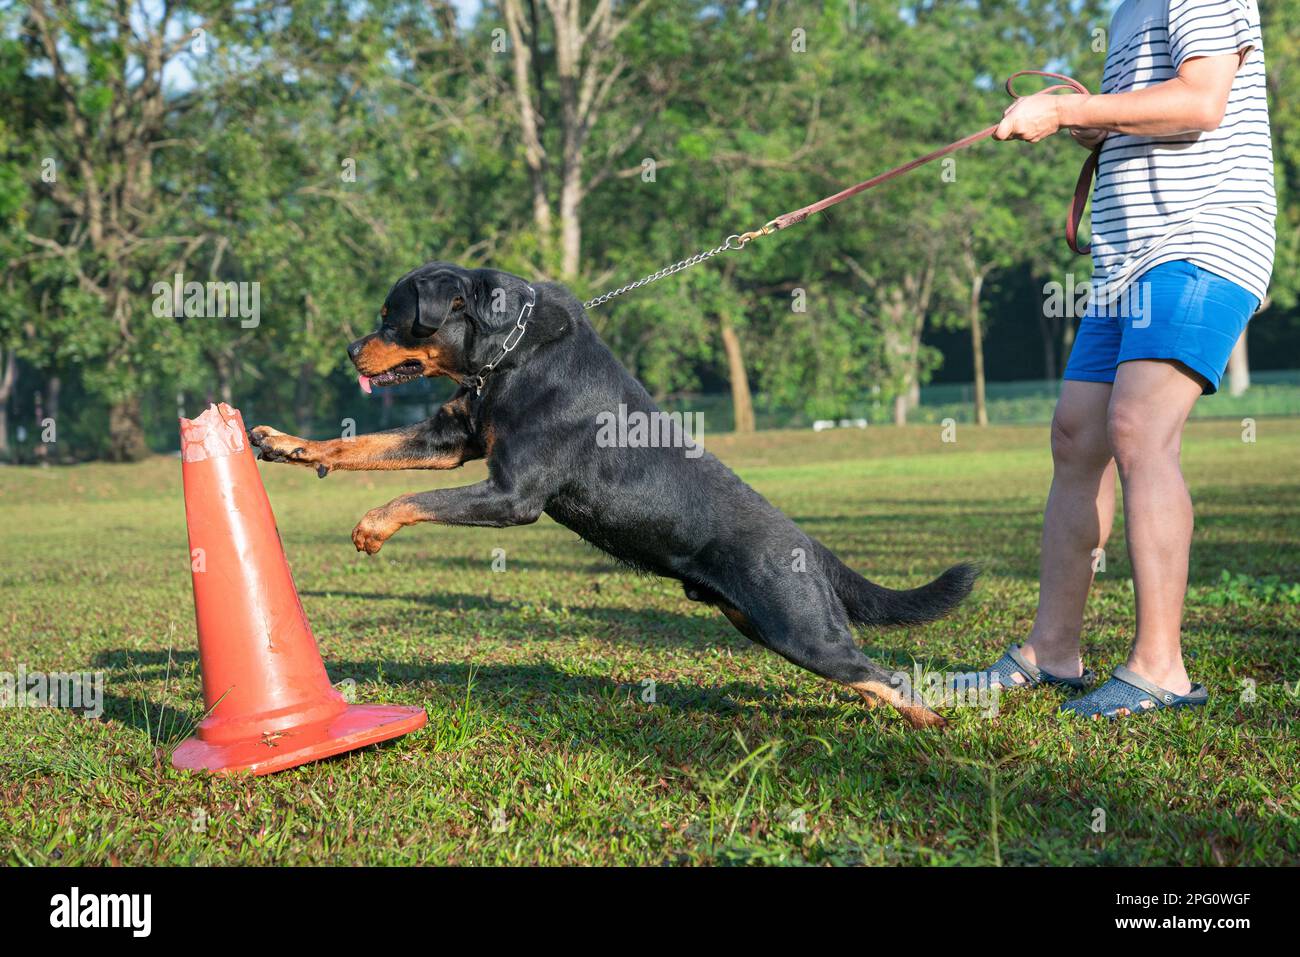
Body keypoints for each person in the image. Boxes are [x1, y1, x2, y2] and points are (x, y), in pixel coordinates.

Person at [962, 0, 1275, 718]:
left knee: (1139, 426)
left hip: (1201, 238)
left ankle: (1160, 667)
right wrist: (1090, 120)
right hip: (1125, 260)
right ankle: (1054, 651)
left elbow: (1200, 102)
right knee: (1078, 433)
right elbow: (1149, 111)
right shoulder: (1131, 7)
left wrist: (1070, 114)